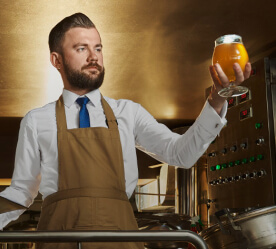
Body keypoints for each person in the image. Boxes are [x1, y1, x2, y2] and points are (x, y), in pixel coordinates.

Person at [0, 13, 251, 249]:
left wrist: (217, 100)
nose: (93, 57)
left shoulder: (128, 113)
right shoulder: (36, 121)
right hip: (59, 242)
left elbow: (181, 154)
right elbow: (21, 192)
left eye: (98, 48)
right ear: (56, 60)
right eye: (81, 48)